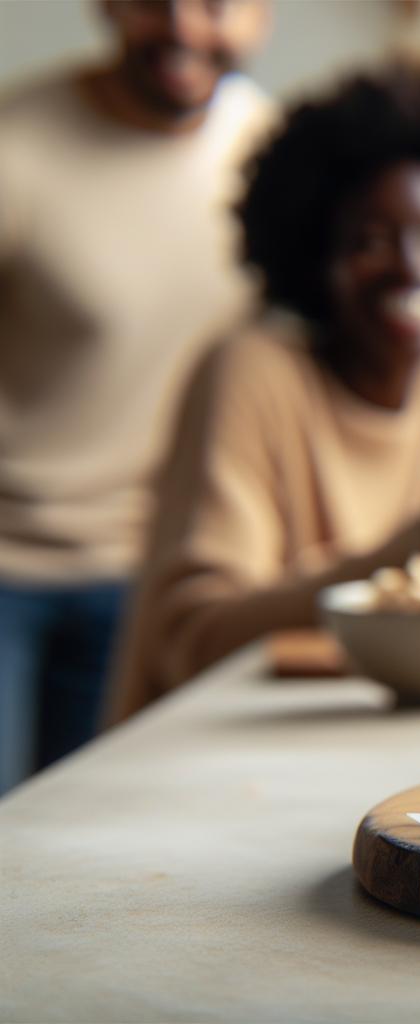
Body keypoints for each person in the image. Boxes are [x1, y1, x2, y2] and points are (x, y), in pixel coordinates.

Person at [108, 69, 420, 721]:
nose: (413, 267)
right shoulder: (250, 374)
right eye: (372, 242)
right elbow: (194, 639)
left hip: (369, 745)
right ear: (314, 254)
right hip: (206, 748)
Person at [0, 0, 275, 791]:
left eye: (215, 4)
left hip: (152, 575)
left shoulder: (270, 152)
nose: (184, 28)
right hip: (8, 565)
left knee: (87, 835)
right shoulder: (17, 144)